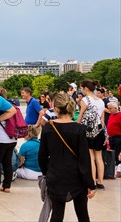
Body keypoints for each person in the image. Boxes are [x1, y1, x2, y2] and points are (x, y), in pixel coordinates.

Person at [38, 92, 95, 222]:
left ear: (56, 109)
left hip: (55, 175)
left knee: (57, 214)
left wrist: (47, 172)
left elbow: (42, 156)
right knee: (82, 214)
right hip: (77, 177)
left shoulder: (48, 127)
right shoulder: (79, 129)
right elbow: (84, 159)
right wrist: (90, 183)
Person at [77, 79, 106, 190]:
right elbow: (102, 119)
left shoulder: (85, 100)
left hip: (88, 131)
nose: (81, 90)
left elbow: (80, 115)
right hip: (99, 130)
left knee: (90, 157)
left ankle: (92, 180)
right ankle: (101, 181)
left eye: (81, 88)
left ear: (86, 88)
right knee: (99, 157)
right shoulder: (100, 101)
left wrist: (76, 127)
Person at [0, 87, 17, 194]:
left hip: (0, 138)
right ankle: (6, 186)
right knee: (7, 163)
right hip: (11, 138)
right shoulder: (9, 104)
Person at [106, 101, 121, 176]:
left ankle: (118, 170)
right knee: (112, 154)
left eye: (110, 108)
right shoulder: (111, 115)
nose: (109, 110)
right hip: (111, 137)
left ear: (115, 108)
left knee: (117, 154)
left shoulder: (120, 115)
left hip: (118, 138)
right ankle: (113, 169)